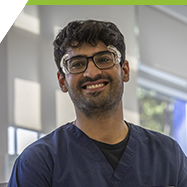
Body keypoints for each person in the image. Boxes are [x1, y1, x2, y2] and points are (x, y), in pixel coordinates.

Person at [8, 20, 187, 187]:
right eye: (77, 64)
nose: (92, 73)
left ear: (124, 71)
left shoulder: (169, 155)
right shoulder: (38, 163)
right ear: (62, 81)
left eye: (103, 59)